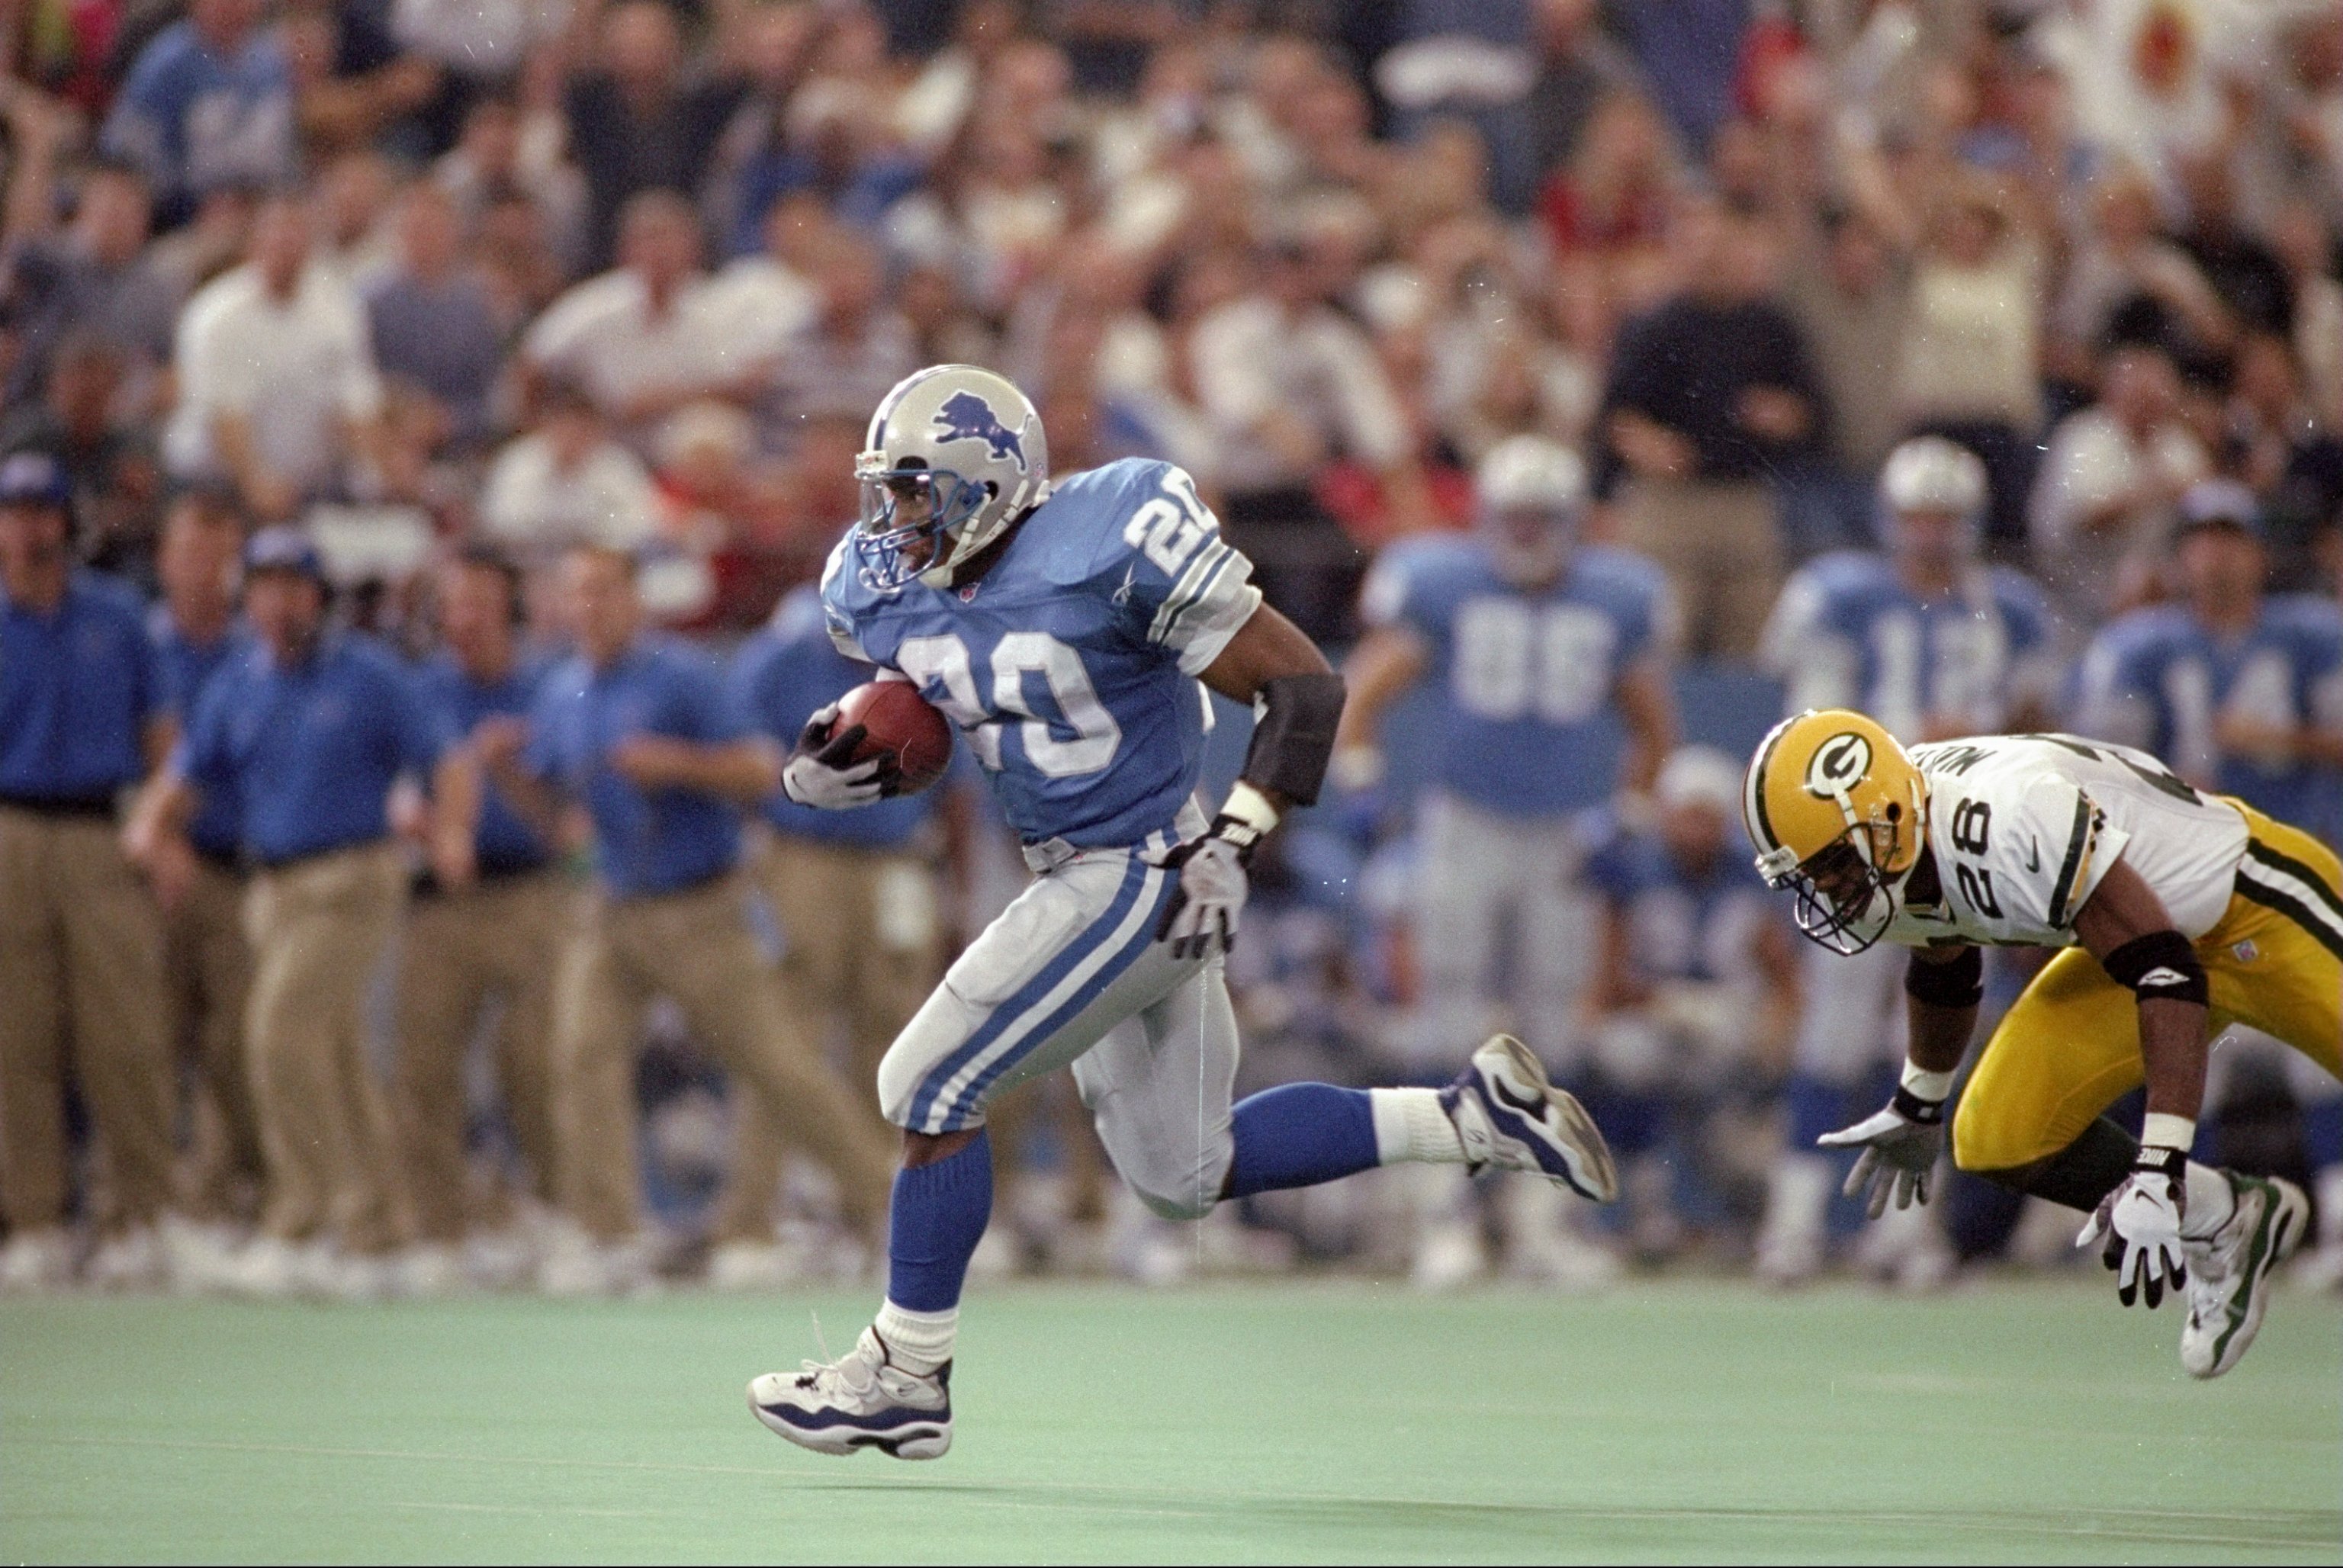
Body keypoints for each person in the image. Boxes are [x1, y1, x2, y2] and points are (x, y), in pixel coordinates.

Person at [747, 365, 1618, 1460]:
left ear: (984, 484)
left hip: (1146, 865)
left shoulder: (1112, 534)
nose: (894, 518)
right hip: (1079, 866)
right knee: (1183, 1174)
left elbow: (1305, 689)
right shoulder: (882, 582)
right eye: (890, 491)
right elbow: (941, 705)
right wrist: (835, 767)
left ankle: (906, 1374)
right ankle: (1470, 1118)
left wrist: (1237, 842)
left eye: (917, 491)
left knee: (924, 1081)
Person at [1741, 709, 2333, 1380]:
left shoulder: (2013, 813)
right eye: (1810, 877)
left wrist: (2160, 1166)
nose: (1827, 889)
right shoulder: (1896, 843)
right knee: (1999, 1134)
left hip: (2250, 904)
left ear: (1887, 816)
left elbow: (2170, 973)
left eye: (1834, 865)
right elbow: (1945, 960)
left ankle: (2187, 1194)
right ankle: (2230, 1215)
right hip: (2140, 944)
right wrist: (1920, 1101)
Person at [479, 542, 897, 1295]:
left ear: (635, 600)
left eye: (604, 591)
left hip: (701, 907)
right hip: (612, 903)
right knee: (582, 1056)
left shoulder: (680, 675)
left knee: (778, 1066)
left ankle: (888, 1206)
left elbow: (756, 767)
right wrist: (509, 773)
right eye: (577, 594)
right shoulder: (561, 686)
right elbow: (552, 817)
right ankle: (607, 1232)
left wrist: (676, 764)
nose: (589, 608)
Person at [1332, 435, 1676, 1288]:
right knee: (1449, 1017)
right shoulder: (1443, 584)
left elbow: (1652, 724)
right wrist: (1362, 778)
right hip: (1468, 823)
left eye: (1541, 520)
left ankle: (1538, 1221)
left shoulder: (1614, 596)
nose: (1525, 536)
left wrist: (1627, 815)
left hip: (1561, 830)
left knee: (1553, 1026)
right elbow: (1368, 693)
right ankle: (1443, 1218)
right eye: (1512, 518)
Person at [126, 526, 477, 1296]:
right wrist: (155, 828)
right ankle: (378, 1232)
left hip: (352, 879)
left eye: (294, 586)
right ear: (246, 597)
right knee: (340, 1055)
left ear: (318, 597)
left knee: (281, 1031)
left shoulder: (367, 675)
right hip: (274, 891)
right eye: (264, 586)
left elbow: (448, 759)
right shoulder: (238, 682)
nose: (279, 602)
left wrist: (451, 830)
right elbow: (187, 774)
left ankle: (303, 1221)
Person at [1750, 437, 2059, 1287]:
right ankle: (1795, 1224)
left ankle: (1907, 1231)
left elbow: (2037, 723)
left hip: (1965, 843)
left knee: (1929, 1045)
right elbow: (1807, 733)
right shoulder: (1838, 598)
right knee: (1834, 1036)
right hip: (1860, 841)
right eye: (1918, 518)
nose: (1930, 536)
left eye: (1946, 519)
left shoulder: (2015, 609)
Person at [2072, 481, 2343, 1288]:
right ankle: (2213, 1233)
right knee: (2189, 1055)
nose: (2217, 554)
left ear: (2259, 552)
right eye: (2202, 537)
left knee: (2319, 1057)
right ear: (2181, 554)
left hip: (2294, 871)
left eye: (2232, 537)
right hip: (2185, 888)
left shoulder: (2312, 637)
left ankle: (2337, 1228)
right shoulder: (2141, 645)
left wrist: (2277, 739)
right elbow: (2094, 767)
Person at [712, 579, 959, 1287]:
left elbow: (958, 784)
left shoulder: (929, 656)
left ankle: (879, 1222)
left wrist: (955, 883)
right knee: (781, 1038)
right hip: (805, 859)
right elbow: (747, 766)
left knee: (898, 1041)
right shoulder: (781, 656)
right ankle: (751, 1221)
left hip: (897, 859)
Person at [0, 451, 177, 1292]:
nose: (30, 529)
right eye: (15, 513)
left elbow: (161, 735)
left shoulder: (118, 615)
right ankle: (35, 1218)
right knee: (16, 1035)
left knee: (126, 1030)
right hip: (9, 827)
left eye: (43, 512)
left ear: (68, 524)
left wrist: (162, 827)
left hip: (99, 826)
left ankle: (137, 1214)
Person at [394, 547, 570, 1287]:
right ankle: (437, 1227)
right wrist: (430, 831)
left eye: (478, 604)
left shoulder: (549, 689)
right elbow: (397, 787)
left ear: (510, 613)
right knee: (423, 1065)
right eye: (452, 604)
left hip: (531, 891)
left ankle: (553, 1212)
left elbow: (567, 811)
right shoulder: (416, 690)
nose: (462, 620)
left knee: (536, 1059)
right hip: (440, 901)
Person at [1579, 745, 1799, 1260]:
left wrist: (1774, 1028)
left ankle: (1758, 1220)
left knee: (1736, 1116)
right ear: (1665, 814)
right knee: (1624, 1059)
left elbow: (1786, 981)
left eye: (1709, 818)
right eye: (1689, 815)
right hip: (1650, 1020)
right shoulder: (1633, 873)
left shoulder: (1748, 877)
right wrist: (1671, 1003)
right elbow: (1606, 983)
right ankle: (1647, 1212)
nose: (1698, 831)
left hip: (1727, 1031)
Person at [145, 484, 260, 1233]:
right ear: (163, 558)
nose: (203, 568)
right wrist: (161, 839)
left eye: (219, 553)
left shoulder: (260, 653)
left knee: (236, 1046)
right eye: (190, 550)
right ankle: (152, 1209)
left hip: (241, 867)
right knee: (145, 1043)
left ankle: (220, 1201)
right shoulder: (140, 641)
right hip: (150, 871)